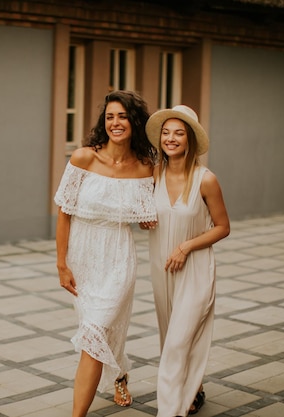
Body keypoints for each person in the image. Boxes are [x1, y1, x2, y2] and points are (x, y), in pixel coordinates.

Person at [54, 90, 158, 417]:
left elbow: (147, 222)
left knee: (95, 331)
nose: (115, 122)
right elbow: (64, 212)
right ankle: (120, 374)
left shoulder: (145, 167)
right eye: (110, 116)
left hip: (118, 257)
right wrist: (61, 265)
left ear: (134, 122)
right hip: (82, 256)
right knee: (102, 329)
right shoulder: (84, 158)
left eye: (123, 116)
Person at [142, 105, 230, 416]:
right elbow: (147, 215)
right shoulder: (154, 175)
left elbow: (223, 227)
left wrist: (186, 246)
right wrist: (145, 220)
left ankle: (170, 410)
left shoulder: (206, 179)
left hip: (194, 269)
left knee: (179, 340)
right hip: (161, 268)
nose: (171, 138)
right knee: (171, 338)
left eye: (178, 133)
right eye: (166, 133)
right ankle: (194, 389)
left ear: (190, 139)